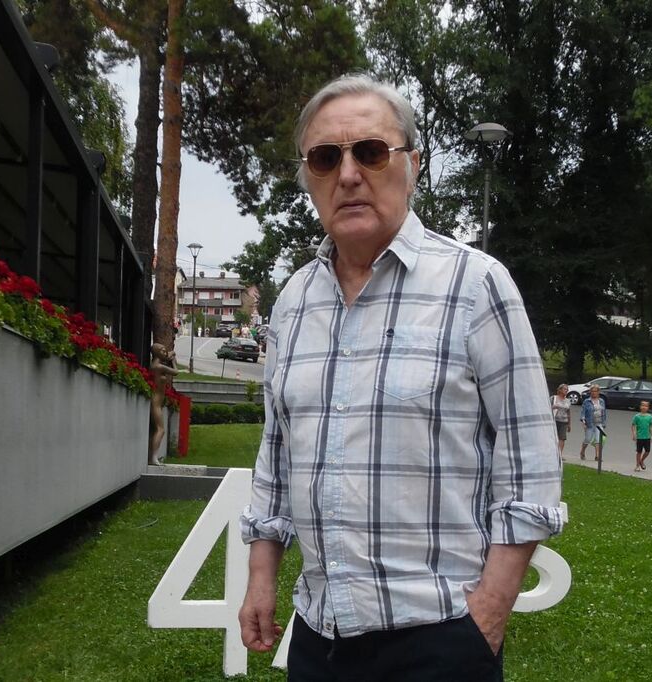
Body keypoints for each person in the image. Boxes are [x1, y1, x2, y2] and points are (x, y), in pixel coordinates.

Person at [238, 74, 564, 682]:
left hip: (441, 640)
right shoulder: (293, 302)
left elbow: (531, 465)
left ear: (412, 165)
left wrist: (488, 615)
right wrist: (262, 577)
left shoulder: (476, 285)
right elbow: (276, 454)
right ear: (308, 176)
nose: (348, 175)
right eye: (325, 157)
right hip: (318, 638)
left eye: (370, 151)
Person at [579, 384, 607, 461]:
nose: (594, 393)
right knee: (587, 439)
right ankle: (582, 451)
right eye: (592, 391)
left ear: (598, 392)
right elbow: (583, 413)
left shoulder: (601, 401)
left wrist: (604, 423)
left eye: (595, 391)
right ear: (590, 392)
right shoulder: (587, 401)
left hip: (599, 423)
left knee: (598, 440)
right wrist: (583, 422)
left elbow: (604, 412)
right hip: (590, 423)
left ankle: (597, 456)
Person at [632, 400, 652, 472]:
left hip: (647, 437)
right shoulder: (637, 416)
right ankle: (637, 465)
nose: (644, 407)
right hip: (639, 437)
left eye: (646, 406)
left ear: (648, 407)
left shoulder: (649, 417)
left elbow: (650, 426)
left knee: (647, 451)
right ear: (640, 406)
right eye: (643, 405)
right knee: (639, 451)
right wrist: (634, 434)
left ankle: (641, 461)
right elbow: (633, 425)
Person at [551, 384, 572, 459]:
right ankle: (552, 454)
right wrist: (553, 407)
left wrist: (569, 424)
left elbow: (568, 413)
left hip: (564, 421)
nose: (566, 391)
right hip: (554, 420)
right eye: (565, 389)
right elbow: (547, 407)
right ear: (560, 390)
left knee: (562, 438)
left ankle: (559, 455)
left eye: (567, 389)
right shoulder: (554, 398)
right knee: (553, 438)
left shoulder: (568, 401)